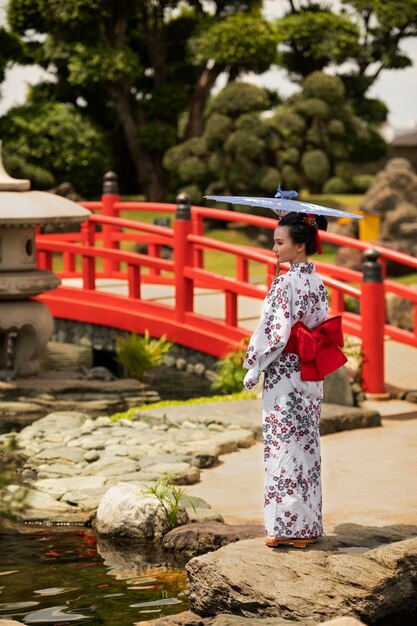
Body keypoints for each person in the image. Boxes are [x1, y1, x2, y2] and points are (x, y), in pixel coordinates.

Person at [243, 211, 336, 549]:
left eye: (280, 242)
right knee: (307, 448)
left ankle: (287, 528)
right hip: (309, 373)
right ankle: (308, 525)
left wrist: (254, 365)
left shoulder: (286, 282)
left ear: (299, 246)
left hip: (285, 374)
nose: (274, 248)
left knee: (283, 448)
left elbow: (274, 333)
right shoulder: (317, 281)